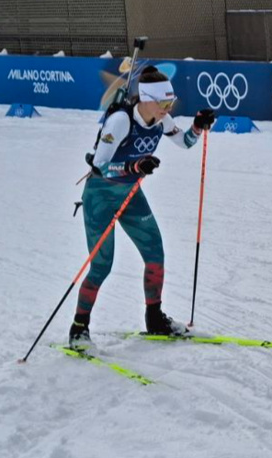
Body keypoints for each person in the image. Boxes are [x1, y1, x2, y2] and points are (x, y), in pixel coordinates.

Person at [68, 67, 216, 349]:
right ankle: (79, 328)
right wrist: (133, 166)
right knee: (101, 266)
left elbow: (184, 143)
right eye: (163, 104)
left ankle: (155, 319)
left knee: (155, 253)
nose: (167, 109)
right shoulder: (121, 122)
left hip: (131, 194)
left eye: (170, 104)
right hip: (100, 196)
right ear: (146, 99)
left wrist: (198, 126)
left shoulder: (162, 119)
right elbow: (99, 164)